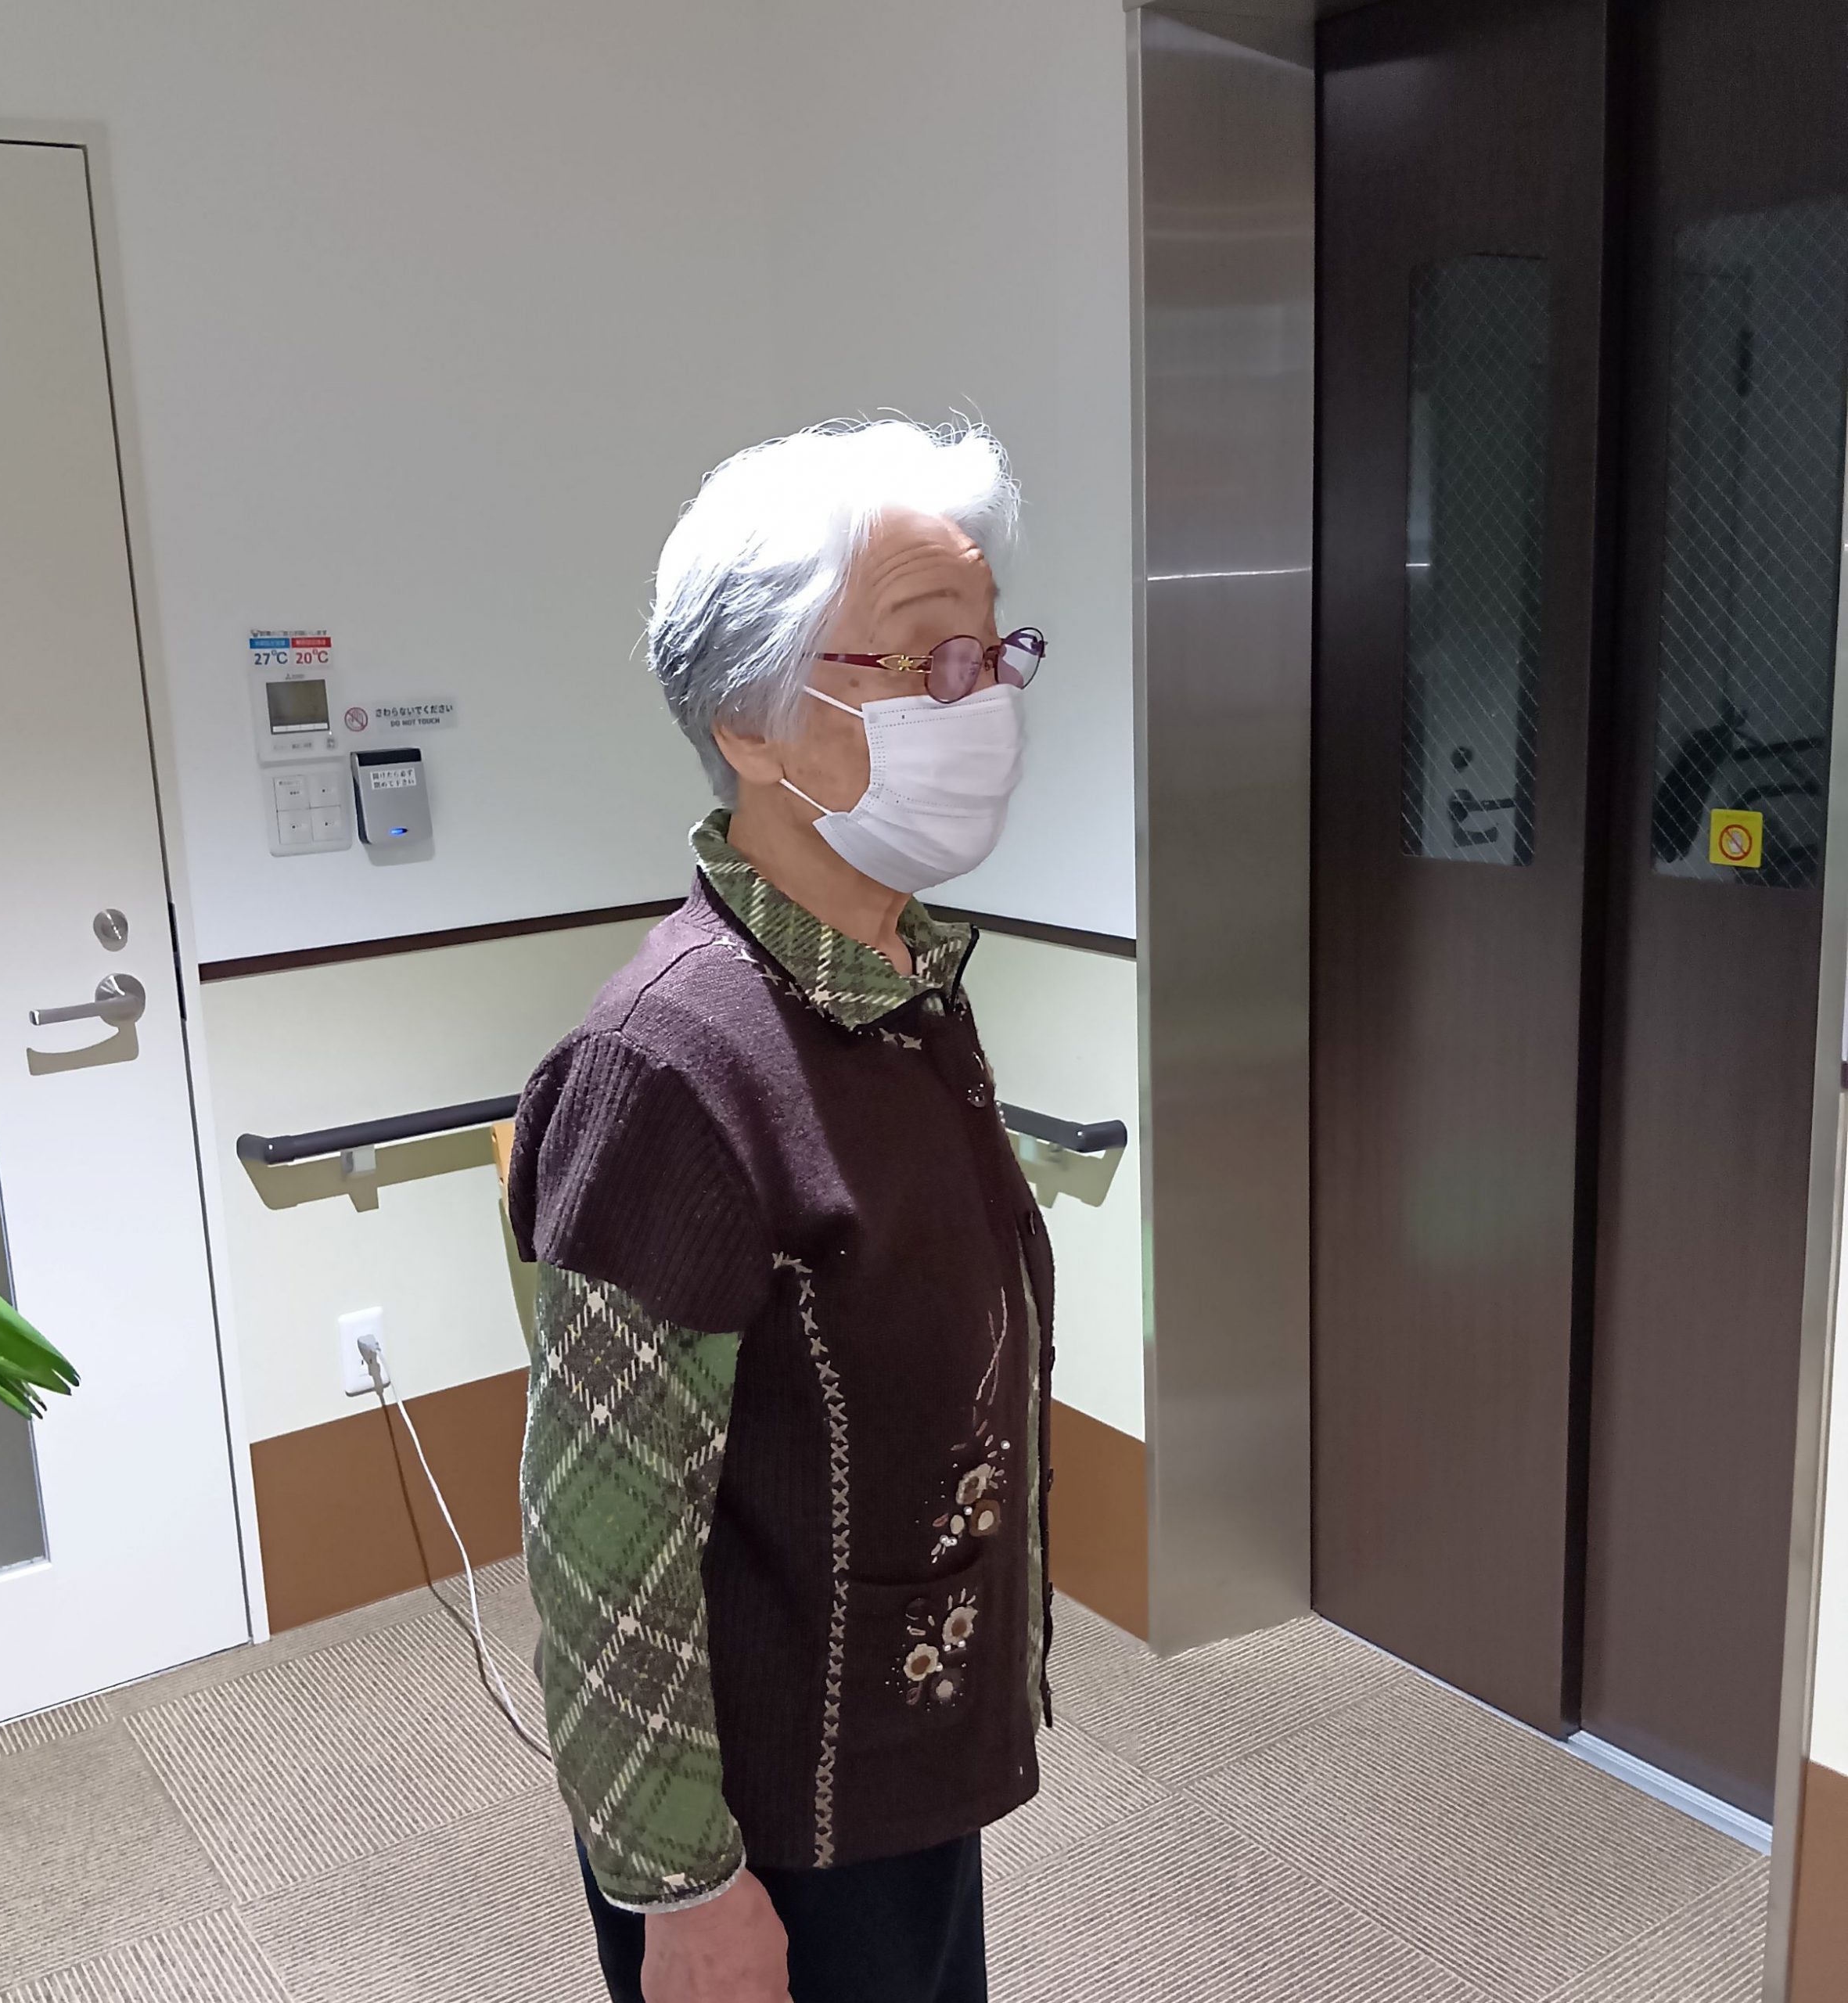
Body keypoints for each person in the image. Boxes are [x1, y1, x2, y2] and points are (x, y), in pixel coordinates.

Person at [507, 419, 1055, 2003]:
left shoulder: (898, 979)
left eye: (995, 650)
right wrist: (681, 1888)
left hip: (896, 1736)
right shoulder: (667, 1066)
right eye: (924, 660)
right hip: (771, 1811)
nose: (984, 697)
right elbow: (598, 1543)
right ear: (750, 724)